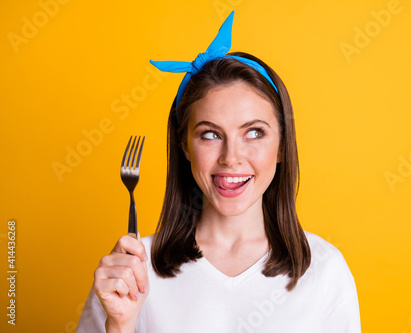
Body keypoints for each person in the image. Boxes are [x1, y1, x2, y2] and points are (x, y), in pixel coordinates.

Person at [76, 11, 361, 333]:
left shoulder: (324, 270)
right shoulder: (132, 272)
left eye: (254, 132)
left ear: (282, 146)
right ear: (184, 146)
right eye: (210, 134)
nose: (231, 157)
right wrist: (120, 325)